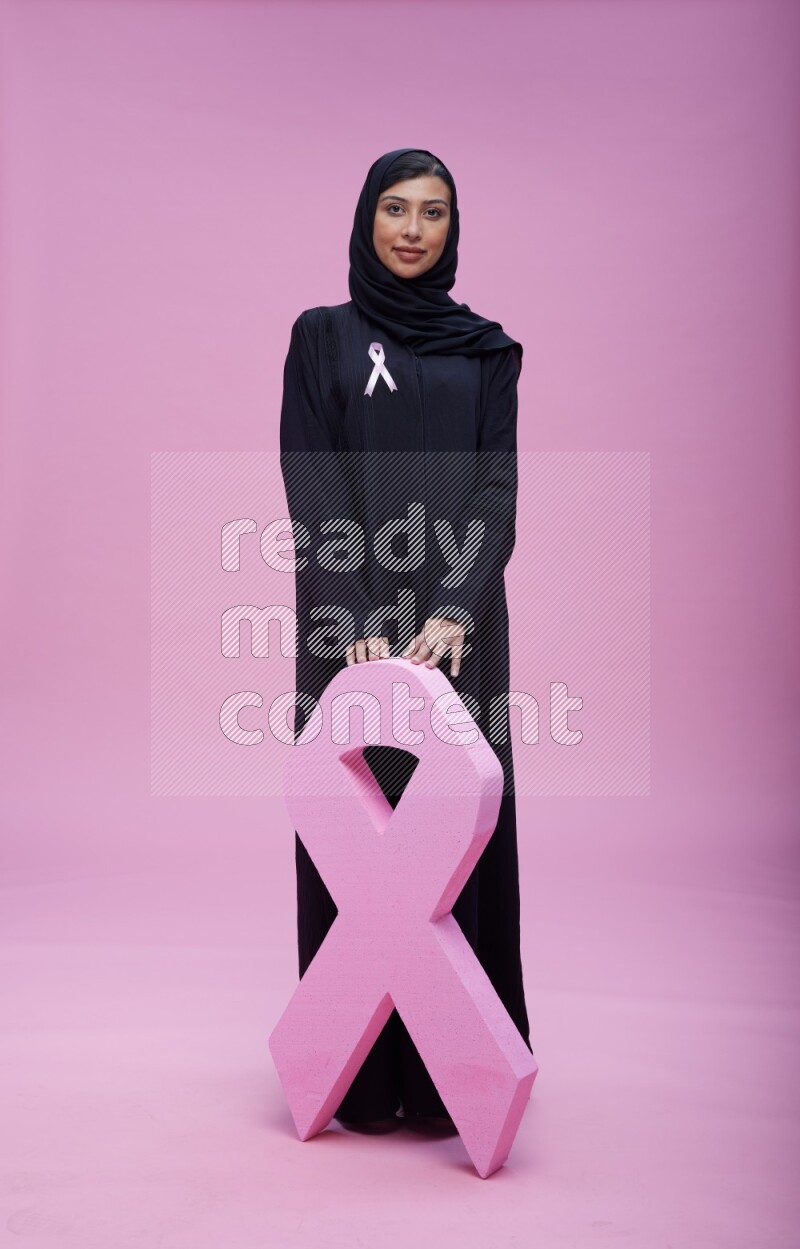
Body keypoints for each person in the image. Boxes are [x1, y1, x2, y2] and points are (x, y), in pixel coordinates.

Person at [279, 148, 532, 1136]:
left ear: (452, 228)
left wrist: (453, 608)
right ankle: (358, 1078)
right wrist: (355, 620)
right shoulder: (321, 338)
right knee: (359, 841)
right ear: (367, 218)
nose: (413, 229)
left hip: (456, 635)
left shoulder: (487, 352)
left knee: (455, 842)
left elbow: (497, 489)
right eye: (395, 208)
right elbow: (311, 481)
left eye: (432, 212)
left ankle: (448, 1084)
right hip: (346, 630)